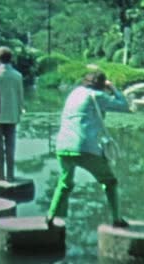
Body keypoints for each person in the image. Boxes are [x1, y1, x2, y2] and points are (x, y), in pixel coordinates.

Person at [46, 71, 130, 228]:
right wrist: (112, 88)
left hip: (63, 145)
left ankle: (50, 216)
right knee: (110, 182)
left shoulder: (74, 93)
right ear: (101, 85)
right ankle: (117, 219)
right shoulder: (97, 95)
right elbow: (124, 106)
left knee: (65, 182)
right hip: (85, 147)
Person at [0, 47, 24, 182]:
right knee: (10, 146)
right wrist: (20, 111)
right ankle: (10, 175)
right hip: (12, 114)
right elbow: (20, 96)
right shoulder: (17, 75)